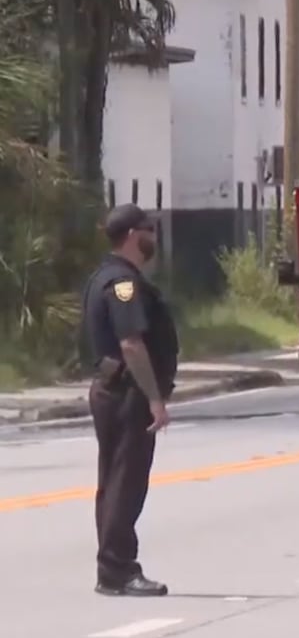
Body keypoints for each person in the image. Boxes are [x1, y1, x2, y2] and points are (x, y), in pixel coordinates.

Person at [81, 204, 178, 597]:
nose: (154, 237)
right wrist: (154, 398)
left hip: (114, 390)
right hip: (127, 394)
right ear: (134, 236)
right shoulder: (122, 283)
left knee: (115, 481)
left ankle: (113, 567)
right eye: (149, 230)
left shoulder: (104, 275)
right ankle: (118, 570)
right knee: (125, 483)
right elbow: (131, 344)